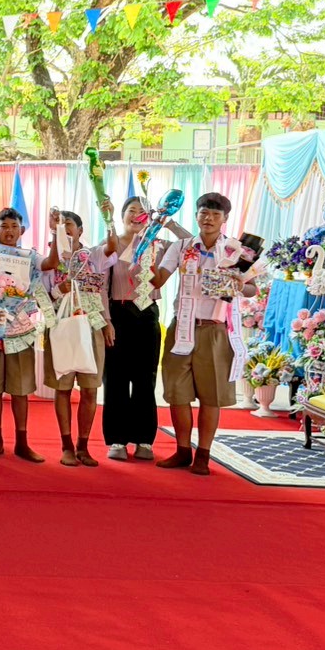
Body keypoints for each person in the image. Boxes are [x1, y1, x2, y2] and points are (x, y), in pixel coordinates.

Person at [151, 192, 258, 476]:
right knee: (177, 393)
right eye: (203, 213)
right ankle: (182, 450)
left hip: (215, 330)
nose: (208, 218)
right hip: (182, 327)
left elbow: (252, 289)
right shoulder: (182, 246)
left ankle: (204, 455)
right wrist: (145, 260)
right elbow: (159, 278)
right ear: (197, 215)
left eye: (215, 214)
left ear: (225, 219)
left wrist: (239, 283)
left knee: (211, 396)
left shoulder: (235, 250)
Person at [102, 197, 189, 461]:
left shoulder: (159, 245)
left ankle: (144, 440)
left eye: (143, 212)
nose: (136, 215)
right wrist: (106, 321)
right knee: (115, 379)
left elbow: (189, 244)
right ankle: (117, 440)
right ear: (123, 216)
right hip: (117, 314)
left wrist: (166, 221)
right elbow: (101, 287)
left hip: (147, 315)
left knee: (145, 379)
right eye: (131, 211)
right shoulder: (111, 244)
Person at [40, 210, 113, 467]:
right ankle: (66, 445)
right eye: (61, 225)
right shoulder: (50, 259)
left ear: (80, 230)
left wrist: (107, 322)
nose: (66, 228)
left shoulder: (92, 256)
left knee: (90, 389)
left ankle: (83, 445)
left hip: (91, 326)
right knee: (63, 388)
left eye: (69, 223)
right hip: (61, 326)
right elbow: (42, 298)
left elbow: (102, 289)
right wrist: (60, 289)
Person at [0, 207, 46, 463]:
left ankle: (22, 442)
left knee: (20, 389)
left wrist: (57, 232)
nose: (9, 231)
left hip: (20, 329)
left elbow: (50, 266)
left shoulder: (31, 258)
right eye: (4, 226)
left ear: (22, 230)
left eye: (14, 226)